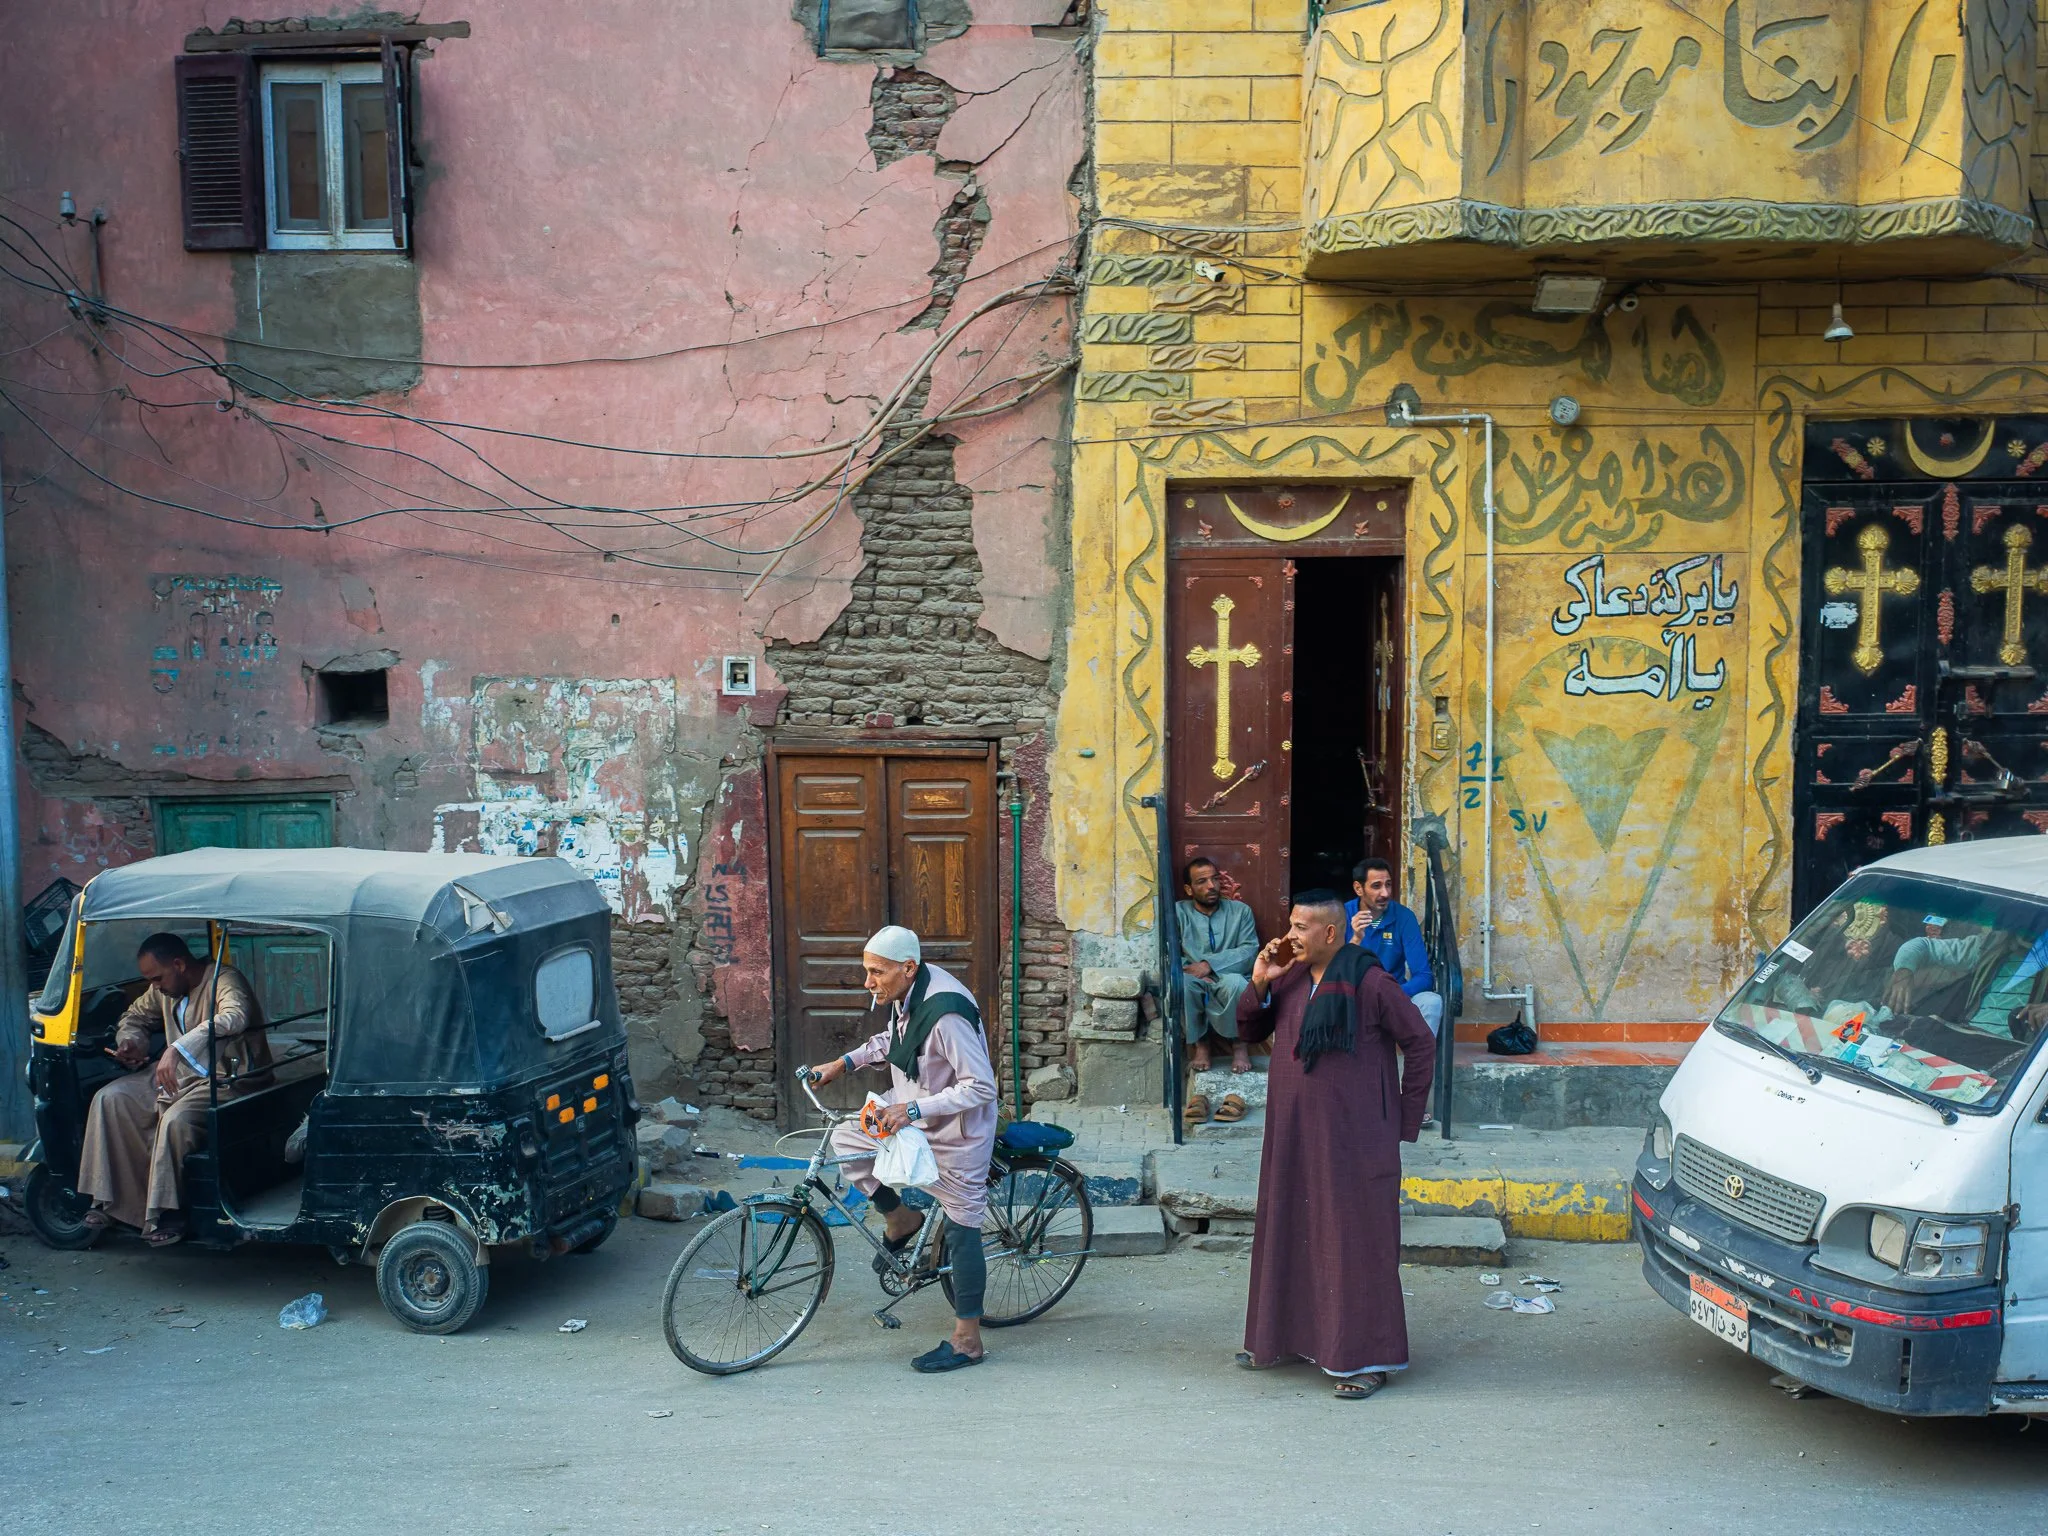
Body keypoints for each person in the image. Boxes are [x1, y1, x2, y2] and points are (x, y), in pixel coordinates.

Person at [1234, 890, 1435, 1400]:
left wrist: (1403, 1120)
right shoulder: (1292, 976)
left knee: (1355, 1241)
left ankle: (1367, 1359)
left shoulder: (1369, 980)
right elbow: (1248, 1026)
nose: (1289, 936)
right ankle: (1288, 1340)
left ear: (1330, 932)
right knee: (1292, 1228)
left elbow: (1419, 1042)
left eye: (1302, 928)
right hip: (1294, 1133)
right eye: (1291, 924)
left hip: (1356, 1139)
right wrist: (1260, 981)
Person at [808, 925, 998, 1373]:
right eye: (866, 971)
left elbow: (981, 1086)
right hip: (912, 1114)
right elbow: (895, 1044)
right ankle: (901, 1217)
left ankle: (968, 1341)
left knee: (962, 1227)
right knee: (848, 1141)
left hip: (958, 1133)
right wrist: (843, 1063)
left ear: (907, 968)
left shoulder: (946, 1014)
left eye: (876, 972)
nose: (868, 982)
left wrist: (911, 1110)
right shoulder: (907, 994)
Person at [78, 933, 271, 1247]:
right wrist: (131, 1042)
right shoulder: (163, 991)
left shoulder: (223, 979)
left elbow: (234, 1016)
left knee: (176, 1120)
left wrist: (179, 1048)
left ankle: (170, 1212)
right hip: (179, 1076)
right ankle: (110, 1202)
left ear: (179, 965)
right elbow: (135, 1016)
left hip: (228, 1077)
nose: (155, 986)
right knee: (110, 1098)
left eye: (158, 978)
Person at [1176, 855, 1259, 1081]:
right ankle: (1201, 1045)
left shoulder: (1240, 911)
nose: (1212, 886)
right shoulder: (1178, 913)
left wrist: (1210, 966)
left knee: (1237, 984)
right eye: (1202, 881)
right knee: (1183, 985)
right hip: (1191, 976)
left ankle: (1239, 1044)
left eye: (1214, 879)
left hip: (1229, 974)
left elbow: (1249, 950)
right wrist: (1192, 970)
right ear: (1189, 888)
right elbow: (1168, 953)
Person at [1345, 858, 1443, 1037]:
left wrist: (1391, 994)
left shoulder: (1404, 917)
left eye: (1388, 885)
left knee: (1431, 1001)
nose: (1385, 893)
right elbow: (1331, 970)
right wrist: (1355, 938)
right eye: (1376, 886)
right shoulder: (1341, 915)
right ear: (1358, 888)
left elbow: (1424, 976)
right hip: (1351, 998)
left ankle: (1419, 1064)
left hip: (1393, 997)